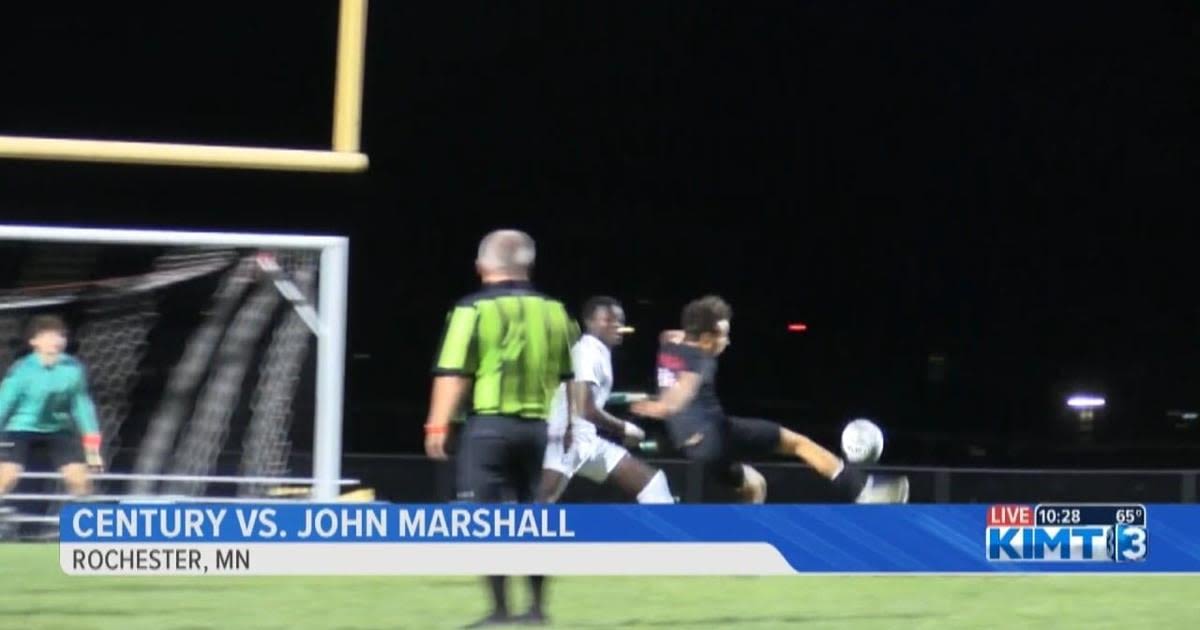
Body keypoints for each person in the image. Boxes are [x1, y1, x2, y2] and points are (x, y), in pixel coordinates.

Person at [424, 229, 579, 628]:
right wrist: (570, 424)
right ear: (528, 264)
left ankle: (499, 611)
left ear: (481, 267)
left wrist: (438, 422)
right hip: (539, 430)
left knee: (484, 519)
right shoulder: (557, 311)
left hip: (489, 427)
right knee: (536, 519)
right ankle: (537, 610)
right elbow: (570, 376)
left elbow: (454, 371)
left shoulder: (471, 309)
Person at [633, 295, 908, 504]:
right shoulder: (704, 361)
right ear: (705, 339)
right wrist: (663, 406)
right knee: (799, 443)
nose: (727, 341)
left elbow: (668, 335)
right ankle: (863, 492)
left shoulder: (669, 343)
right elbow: (684, 390)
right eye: (723, 335)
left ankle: (742, 554)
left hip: (692, 449)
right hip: (716, 436)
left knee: (755, 486)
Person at [538, 296, 674, 504]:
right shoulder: (586, 352)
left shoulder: (599, 352)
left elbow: (589, 399)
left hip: (586, 441)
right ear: (589, 322)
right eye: (609, 320)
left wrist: (638, 398)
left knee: (654, 484)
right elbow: (584, 407)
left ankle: (665, 535)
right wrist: (625, 428)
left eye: (619, 320)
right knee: (537, 509)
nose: (617, 325)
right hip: (566, 440)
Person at [0, 314, 104, 505]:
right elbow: (3, 404)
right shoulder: (22, 370)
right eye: (48, 336)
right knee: (7, 476)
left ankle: (90, 526)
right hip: (22, 428)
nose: (55, 341)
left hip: (58, 429)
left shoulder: (73, 369)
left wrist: (92, 448)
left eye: (59, 336)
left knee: (79, 480)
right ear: (34, 341)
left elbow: (82, 407)